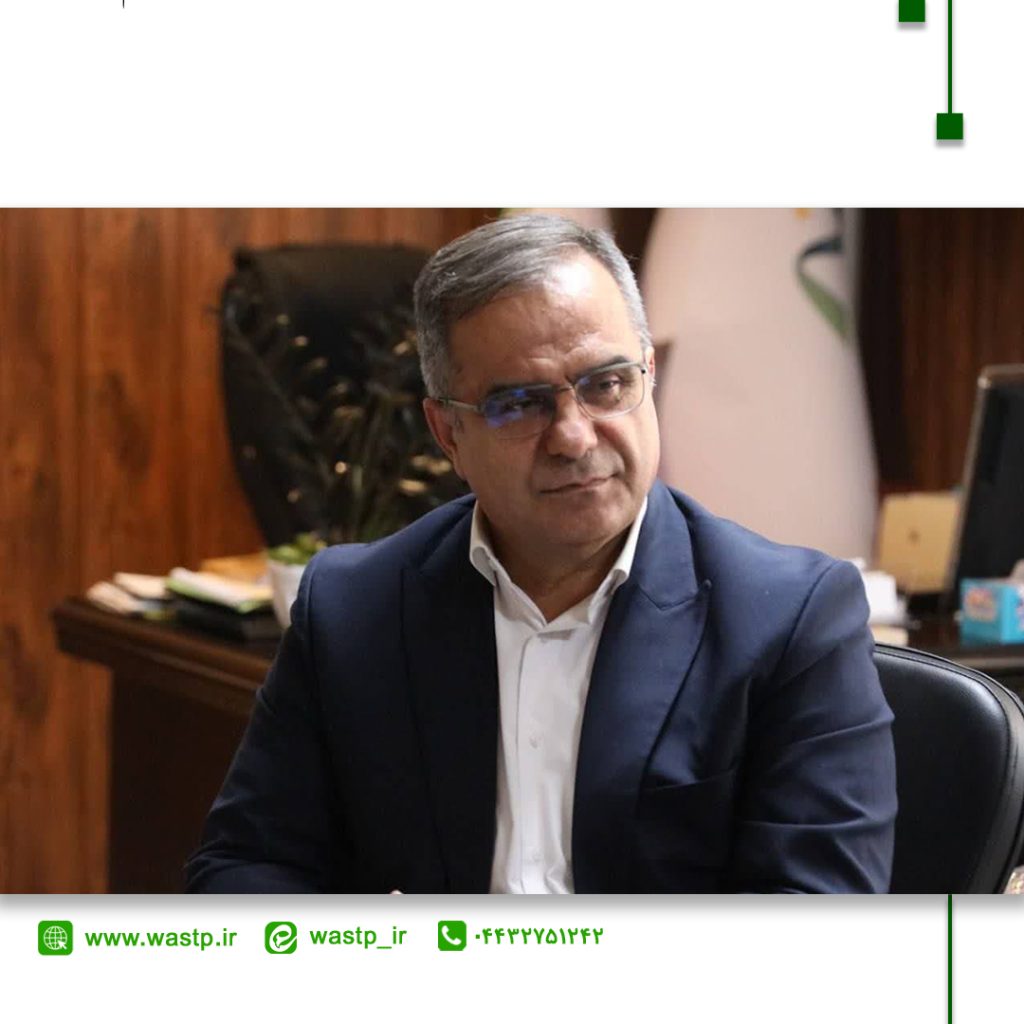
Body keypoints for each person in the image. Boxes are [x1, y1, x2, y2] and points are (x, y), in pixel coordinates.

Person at [185, 214, 897, 894]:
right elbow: (242, 866)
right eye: (520, 403)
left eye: (607, 384)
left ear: (649, 375)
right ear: (447, 433)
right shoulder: (352, 609)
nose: (575, 437)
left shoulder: (791, 620)